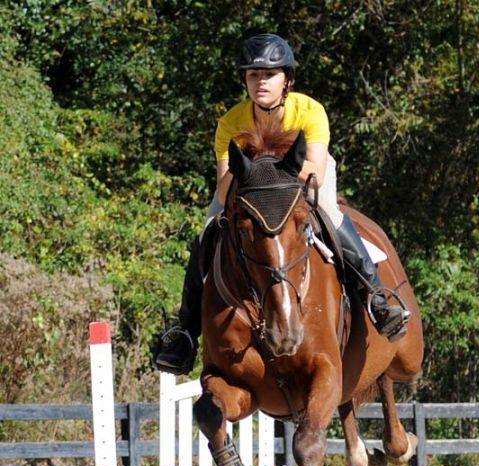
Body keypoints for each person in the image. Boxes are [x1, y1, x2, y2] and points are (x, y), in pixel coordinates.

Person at [154, 33, 409, 374]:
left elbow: (314, 171)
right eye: (253, 75)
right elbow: (224, 184)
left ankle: (376, 297)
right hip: (250, 188)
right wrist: (252, 172)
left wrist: (266, 167)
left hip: (302, 179)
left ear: (286, 80)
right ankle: (185, 330)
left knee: (330, 215)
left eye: (269, 75)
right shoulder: (231, 121)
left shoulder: (309, 111)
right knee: (207, 229)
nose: (260, 82)